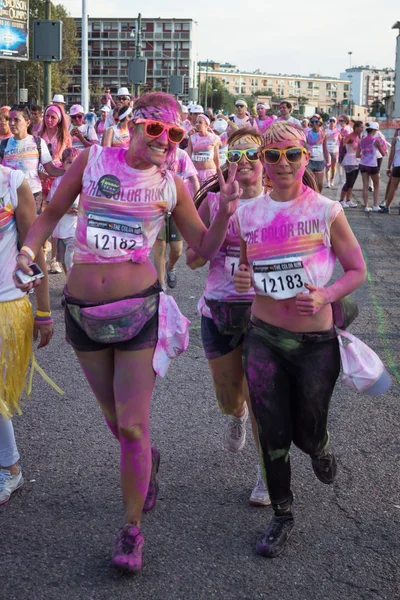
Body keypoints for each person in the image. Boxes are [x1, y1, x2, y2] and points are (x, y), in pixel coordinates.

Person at [15, 92, 239, 574]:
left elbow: (202, 247)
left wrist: (224, 211)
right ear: (133, 125)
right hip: (83, 314)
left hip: (139, 312)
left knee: (133, 425)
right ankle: (146, 460)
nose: (164, 140)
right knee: (118, 425)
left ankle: (132, 531)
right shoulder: (90, 160)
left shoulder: (173, 185)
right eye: (155, 129)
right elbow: (50, 216)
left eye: (174, 134)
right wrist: (27, 254)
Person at [233, 120, 366, 558]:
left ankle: (320, 446)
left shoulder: (327, 210)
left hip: (314, 343)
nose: (283, 163)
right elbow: (250, 273)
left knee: (307, 432)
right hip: (264, 337)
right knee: (271, 432)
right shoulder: (247, 212)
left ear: (306, 158)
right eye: (273, 156)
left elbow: (356, 271)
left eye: (292, 154)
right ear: (263, 164)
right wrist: (242, 277)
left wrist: (326, 294)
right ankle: (282, 515)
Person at [186, 129, 271, 506]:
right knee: (229, 399)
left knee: (261, 400)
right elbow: (194, 259)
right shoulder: (211, 201)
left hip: (265, 314)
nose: (244, 162)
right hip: (218, 310)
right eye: (235, 156)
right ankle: (234, 414)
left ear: (265, 159)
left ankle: (267, 475)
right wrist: (223, 211)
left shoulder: (279, 202)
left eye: (252, 154)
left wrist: (260, 273)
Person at [0, 163, 53, 505]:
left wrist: (45, 311)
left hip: (6, 304)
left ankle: (11, 468)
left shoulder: (13, 182)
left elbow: (34, 248)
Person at [0, 105, 65, 215]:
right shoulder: (4, 144)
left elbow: (51, 170)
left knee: (31, 230)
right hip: (9, 196)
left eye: (16, 120)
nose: (11, 123)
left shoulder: (37, 142)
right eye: (9, 119)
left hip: (33, 194)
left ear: (27, 122)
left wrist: (72, 172)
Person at [154, 147, 199, 291]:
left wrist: (195, 202)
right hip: (156, 205)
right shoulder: (154, 153)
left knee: (177, 249)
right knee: (160, 246)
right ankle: (161, 286)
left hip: (176, 206)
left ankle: (170, 267)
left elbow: (193, 178)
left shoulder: (181, 155)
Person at [38, 104, 72, 274]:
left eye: (53, 117)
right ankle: (44, 248)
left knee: (55, 218)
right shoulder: (38, 135)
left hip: (58, 178)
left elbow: (69, 158)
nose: (49, 120)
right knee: (43, 214)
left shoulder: (64, 136)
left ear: (59, 120)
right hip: (41, 178)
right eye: (47, 116)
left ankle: (53, 260)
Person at [46, 148, 80, 275]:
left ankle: (72, 290)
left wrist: (81, 208)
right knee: (63, 262)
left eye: (76, 162)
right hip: (60, 230)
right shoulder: (58, 182)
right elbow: (51, 203)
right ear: (63, 163)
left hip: (76, 229)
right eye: (69, 162)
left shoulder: (84, 181)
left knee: (70, 259)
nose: (73, 166)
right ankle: (68, 286)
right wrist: (65, 208)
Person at [357, 122, 387, 212]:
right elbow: (383, 153)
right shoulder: (375, 140)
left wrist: (365, 155)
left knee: (365, 186)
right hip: (372, 165)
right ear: (374, 130)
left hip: (363, 164)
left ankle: (366, 206)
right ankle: (375, 205)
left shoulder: (361, 140)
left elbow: (357, 154)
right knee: (376, 185)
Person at [187, 113, 220, 185]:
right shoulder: (192, 138)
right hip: (196, 172)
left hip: (210, 172)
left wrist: (219, 173)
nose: (197, 124)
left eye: (200, 122)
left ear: (206, 125)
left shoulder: (214, 138)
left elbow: (216, 157)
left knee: (208, 195)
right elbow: (188, 157)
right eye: (196, 122)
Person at [339, 120, 363, 208]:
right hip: (349, 160)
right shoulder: (350, 136)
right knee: (348, 181)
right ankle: (341, 200)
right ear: (355, 127)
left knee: (352, 182)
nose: (362, 129)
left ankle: (348, 200)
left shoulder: (359, 136)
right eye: (360, 127)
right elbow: (342, 144)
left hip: (357, 160)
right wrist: (341, 137)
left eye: (362, 127)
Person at [306, 114, 329, 192]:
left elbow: (325, 149)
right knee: (310, 183)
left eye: (316, 121)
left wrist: (328, 162)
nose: (314, 123)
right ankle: (310, 200)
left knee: (319, 184)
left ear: (320, 123)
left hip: (319, 161)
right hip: (309, 161)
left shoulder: (323, 134)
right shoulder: (307, 134)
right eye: (313, 121)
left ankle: (318, 198)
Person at [381, 128, 400, 213]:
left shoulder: (396, 139)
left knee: (393, 187)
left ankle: (387, 207)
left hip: (397, 166)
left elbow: (392, 155)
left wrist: (389, 167)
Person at [324, 117, 341, 188]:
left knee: (333, 166)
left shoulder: (337, 131)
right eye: (330, 121)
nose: (331, 122)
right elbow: (323, 140)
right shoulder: (325, 130)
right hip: (327, 150)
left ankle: (332, 179)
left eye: (333, 121)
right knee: (328, 166)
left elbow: (340, 140)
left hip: (335, 150)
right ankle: (327, 182)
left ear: (335, 123)